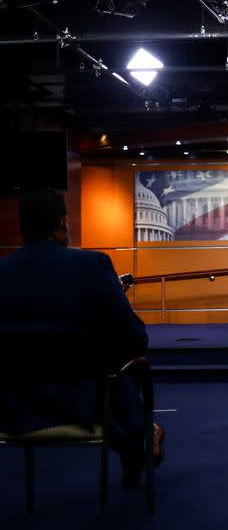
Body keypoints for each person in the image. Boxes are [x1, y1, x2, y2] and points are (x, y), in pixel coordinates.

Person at [0, 188, 163, 488]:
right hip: (87, 406)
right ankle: (138, 440)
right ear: (63, 223)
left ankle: (141, 434)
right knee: (127, 372)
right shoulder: (92, 265)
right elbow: (135, 335)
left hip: (14, 408)